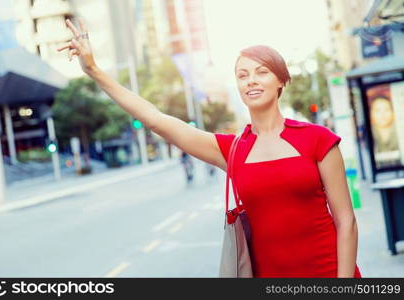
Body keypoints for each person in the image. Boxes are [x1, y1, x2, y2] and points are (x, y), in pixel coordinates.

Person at [57, 19, 361, 278]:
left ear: (281, 80)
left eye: (261, 72)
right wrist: (94, 70)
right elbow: (157, 120)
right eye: (243, 75)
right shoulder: (233, 149)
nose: (251, 81)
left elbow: (345, 220)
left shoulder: (317, 139)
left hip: (329, 272)